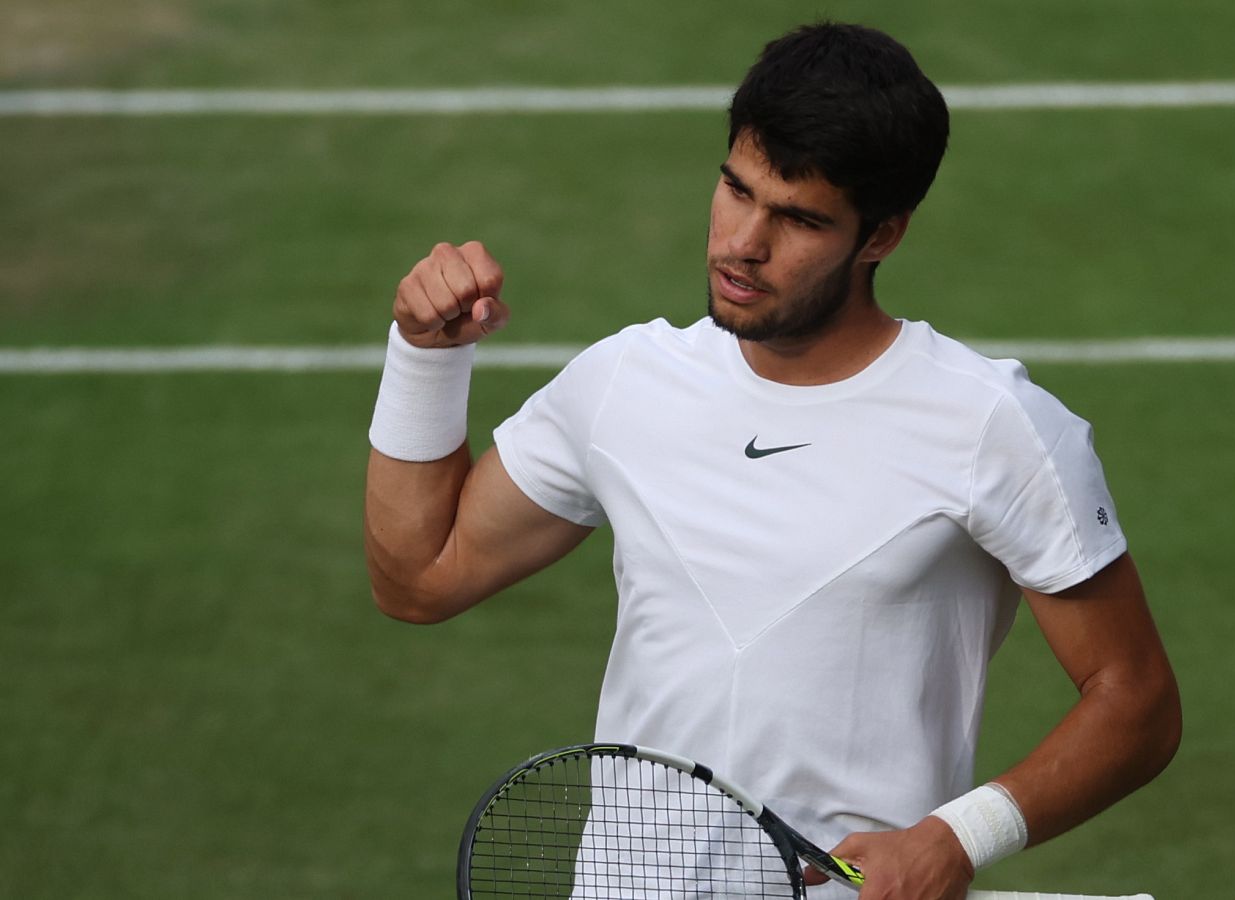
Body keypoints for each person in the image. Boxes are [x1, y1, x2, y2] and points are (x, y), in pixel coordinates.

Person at [365, 22, 1181, 900]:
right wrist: (426, 357)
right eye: (736, 189)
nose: (744, 244)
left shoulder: (993, 425)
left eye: (797, 218)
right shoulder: (626, 384)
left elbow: (1136, 701)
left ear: (882, 237)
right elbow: (421, 578)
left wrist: (956, 837)